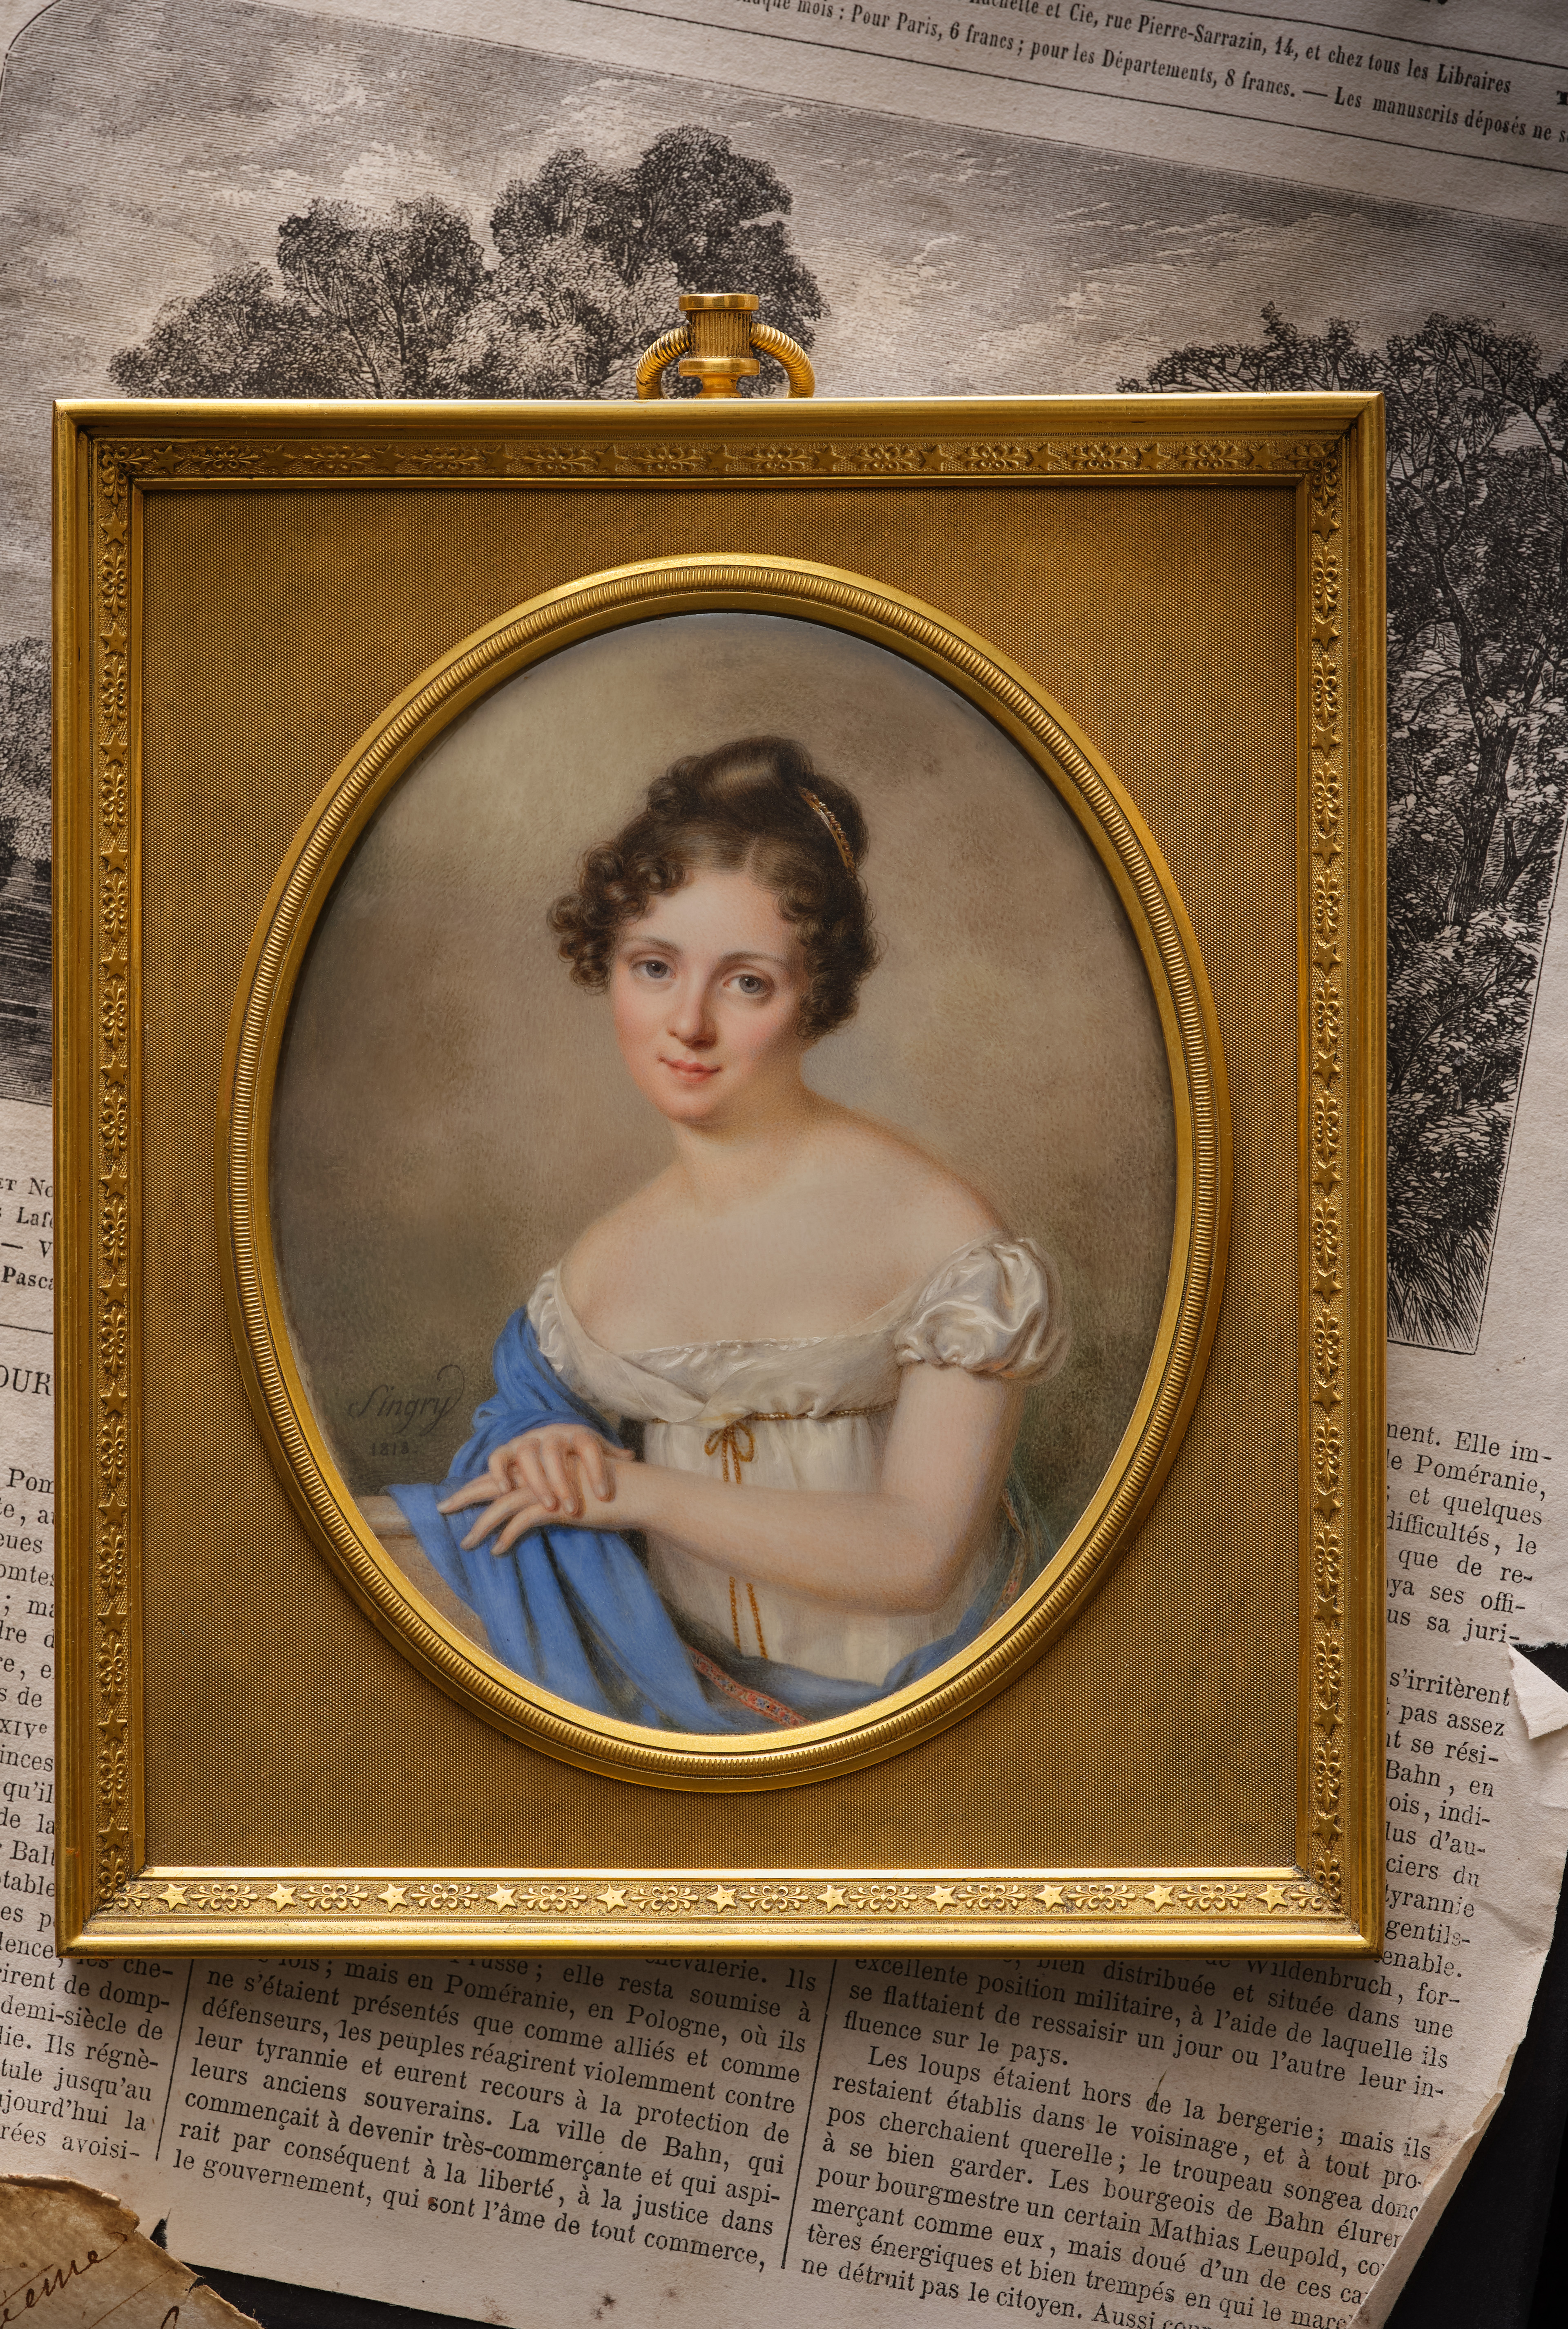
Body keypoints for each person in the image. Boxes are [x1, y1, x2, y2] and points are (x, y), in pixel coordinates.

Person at [386, 736, 1068, 1730]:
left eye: (746, 982)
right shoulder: (591, 1279)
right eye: (654, 967)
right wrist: (547, 1455)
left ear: (813, 995)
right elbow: (523, 1440)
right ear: (606, 964)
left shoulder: (940, 1236)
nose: (687, 1025)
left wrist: (629, 1491)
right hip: (665, 1704)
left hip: (937, 1711)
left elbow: (919, 1559)